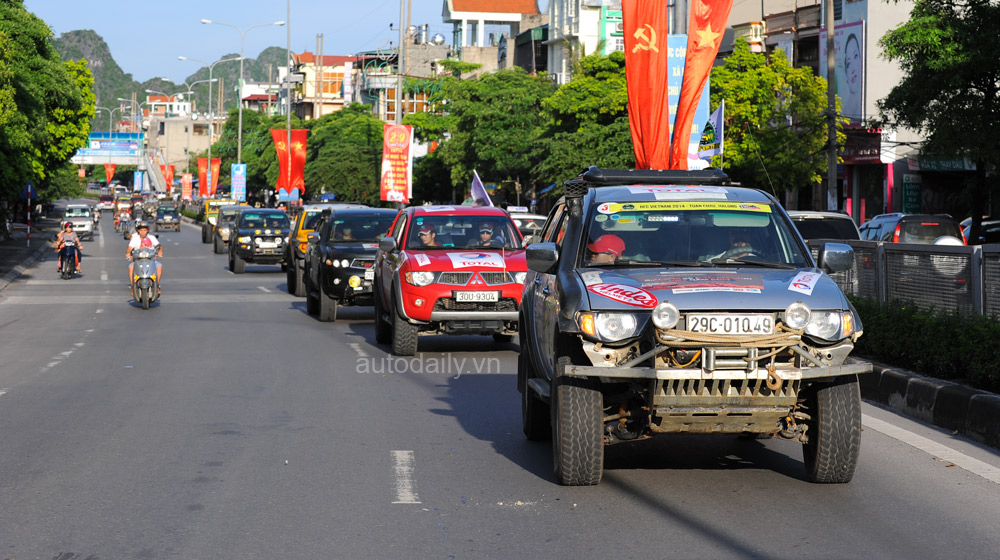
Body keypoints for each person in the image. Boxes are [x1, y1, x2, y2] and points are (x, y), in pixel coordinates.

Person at [126, 221, 163, 295]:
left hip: (151, 260)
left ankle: (156, 286)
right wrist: (128, 254)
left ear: (147, 230)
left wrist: (160, 252)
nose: (143, 232)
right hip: (138, 260)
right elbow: (129, 248)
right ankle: (133, 287)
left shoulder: (151, 238)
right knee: (131, 267)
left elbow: (159, 246)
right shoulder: (135, 239)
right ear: (138, 231)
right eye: (141, 230)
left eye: (144, 230)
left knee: (159, 266)